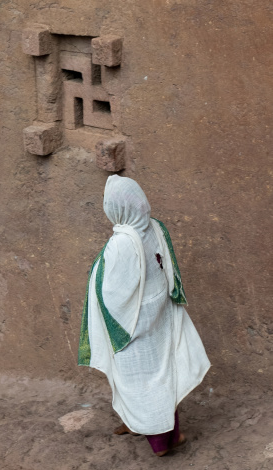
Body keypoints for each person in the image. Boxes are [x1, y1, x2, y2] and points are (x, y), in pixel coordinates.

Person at [78, 175, 210, 456]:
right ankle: (135, 421)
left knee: (141, 378)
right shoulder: (154, 227)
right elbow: (168, 267)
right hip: (158, 313)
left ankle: (162, 443)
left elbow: (112, 291)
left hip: (132, 323)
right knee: (161, 371)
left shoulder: (122, 243)